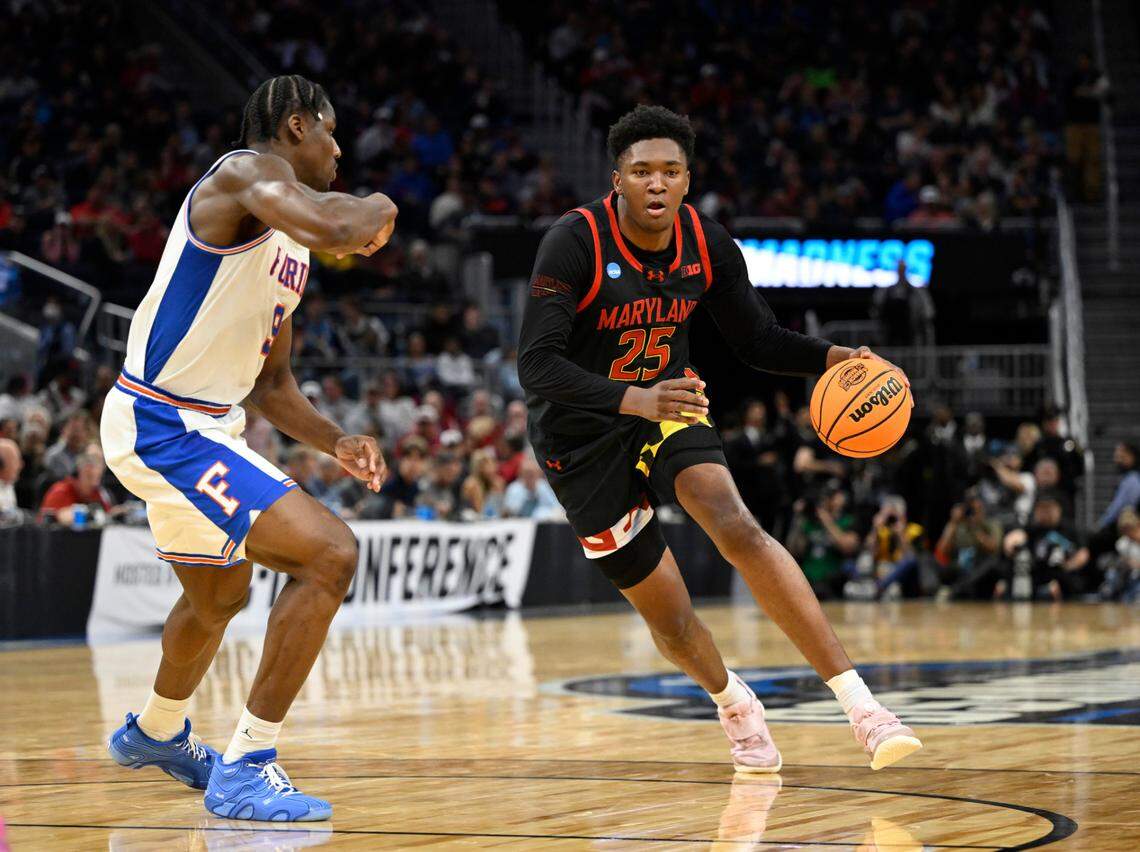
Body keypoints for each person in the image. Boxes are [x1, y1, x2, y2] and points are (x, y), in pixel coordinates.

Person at [516, 105, 921, 773]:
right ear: (617, 180)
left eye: (670, 171)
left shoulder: (707, 244)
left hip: (668, 406)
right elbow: (536, 365)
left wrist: (835, 358)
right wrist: (634, 396)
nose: (656, 183)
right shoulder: (574, 241)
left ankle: (864, 709)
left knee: (733, 519)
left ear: (687, 179)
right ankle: (734, 703)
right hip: (578, 437)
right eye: (641, 171)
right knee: (671, 620)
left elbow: (758, 340)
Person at [99, 75, 398, 822]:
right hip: (163, 423)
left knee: (218, 597)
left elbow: (272, 385)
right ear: (297, 125)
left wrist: (336, 440)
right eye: (330, 132)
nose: (338, 151)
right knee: (330, 554)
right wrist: (382, 206)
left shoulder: (288, 244)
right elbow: (336, 224)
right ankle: (247, 767)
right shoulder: (242, 174)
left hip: (205, 425)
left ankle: (156, 732)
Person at [37, 450, 116, 525]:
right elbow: (43, 521)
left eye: (99, 464)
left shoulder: (100, 493)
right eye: (90, 464)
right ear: (79, 468)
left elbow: (107, 517)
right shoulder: (61, 491)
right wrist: (59, 516)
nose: (95, 470)